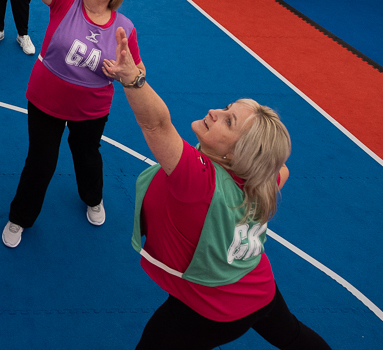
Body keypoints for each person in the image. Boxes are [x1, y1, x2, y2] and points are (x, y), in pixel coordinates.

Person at [100, 30, 332, 350]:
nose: (215, 112)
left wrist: (133, 80)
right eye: (227, 108)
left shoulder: (199, 180)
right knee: (292, 336)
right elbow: (283, 169)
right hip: (257, 284)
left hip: (210, 308)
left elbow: (156, 124)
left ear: (236, 155)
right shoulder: (261, 179)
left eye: (228, 122)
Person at [3, 0, 143, 248]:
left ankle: (93, 198)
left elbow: (137, 72)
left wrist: (127, 73)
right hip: (46, 100)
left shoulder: (124, 28)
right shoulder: (67, 0)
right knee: (40, 160)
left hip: (91, 110)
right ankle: (19, 218)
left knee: (87, 156)